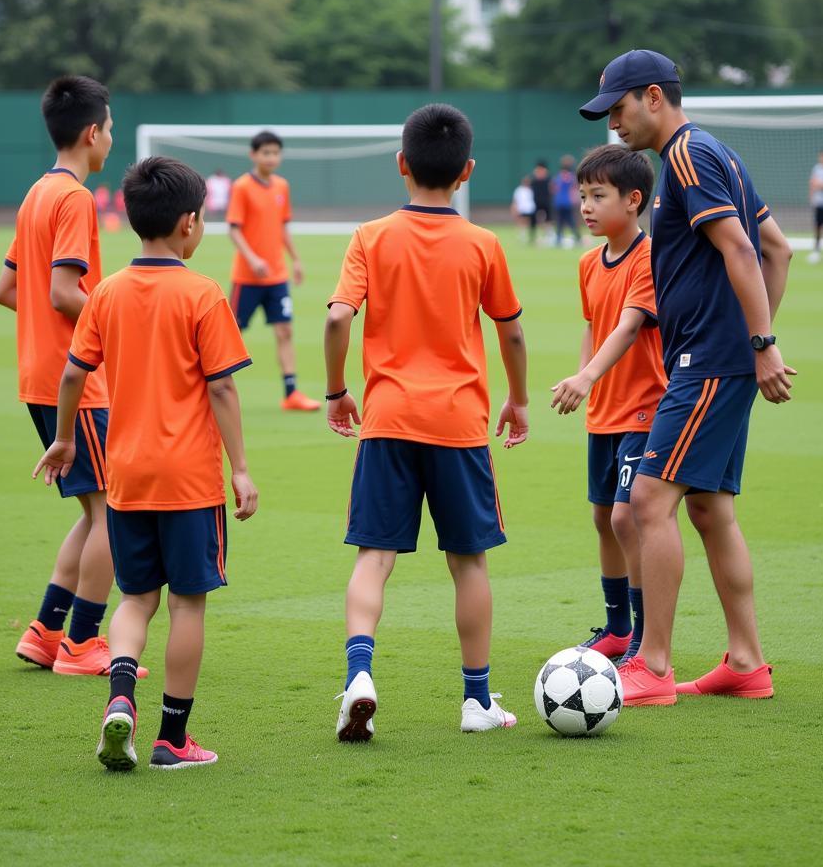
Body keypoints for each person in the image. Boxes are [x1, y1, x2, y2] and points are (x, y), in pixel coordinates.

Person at [580, 49, 795, 706]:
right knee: (708, 509)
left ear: (652, 96)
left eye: (618, 109)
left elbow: (740, 248)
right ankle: (746, 662)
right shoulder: (716, 151)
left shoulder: (683, 157)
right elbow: (777, 248)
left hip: (706, 361)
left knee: (648, 502)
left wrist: (757, 342)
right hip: (720, 357)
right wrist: (749, 343)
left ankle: (653, 664)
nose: (613, 123)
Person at [33, 156, 259, 771]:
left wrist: (64, 440)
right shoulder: (203, 293)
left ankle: (121, 701)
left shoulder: (105, 293)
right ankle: (172, 739)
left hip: (125, 475)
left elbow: (74, 373)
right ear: (189, 223)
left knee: (134, 600)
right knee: (187, 604)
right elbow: (221, 388)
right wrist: (239, 467)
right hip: (188, 481)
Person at [324, 103, 529, 741]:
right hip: (459, 424)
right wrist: (518, 398)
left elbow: (336, 319)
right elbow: (511, 330)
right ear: (466, 172)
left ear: (401, 164)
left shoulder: (370, 236)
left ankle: (359, 675)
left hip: (387, 420)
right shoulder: (483, 243)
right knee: (469, 564)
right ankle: (476, 702)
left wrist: (336, 391)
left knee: (374, 557)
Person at [0, 75, 134, 676]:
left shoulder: (35, 194)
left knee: (91, 510)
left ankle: (46, 631)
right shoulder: (75, 199)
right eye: (111, 130)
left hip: (38, 376)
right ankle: (83, 644)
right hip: (79, 380)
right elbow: (61, 292)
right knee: (113, 515)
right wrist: (118, 320)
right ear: (91, 132)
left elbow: (8, 290)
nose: (112, 140)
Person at [549, 144, 667, 666]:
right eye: (582, 195)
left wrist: (587, 374)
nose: (586, 206)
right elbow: (594, 326)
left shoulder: (650, 257)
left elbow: (628, 325)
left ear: (634, 200)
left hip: (646, 406)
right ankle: (617, 629)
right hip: (605, 409)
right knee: (603, 519)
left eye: (598, 196)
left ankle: (644, 639)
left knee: (627, 519)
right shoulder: (586, 262)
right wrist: (586, 382)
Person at [226, 131, 320, 412]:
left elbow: (282, 227)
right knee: (231, 333)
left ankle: (291, 393)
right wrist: (253, 259)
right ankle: (208, 385)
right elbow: (234, 230)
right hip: (248, 277)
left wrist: (297, 260)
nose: (271, 157)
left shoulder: (282, 187)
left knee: (285, 331)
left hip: (277, 276)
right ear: (253, 154)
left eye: (275, 152)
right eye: (265, 152)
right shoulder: (242, 187)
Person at [552, 155, 582, 248]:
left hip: (558, 201)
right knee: (571, 221)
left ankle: (558, 239)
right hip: (568, 202)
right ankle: (577, 238)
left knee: (560, 222)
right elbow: (576, 187)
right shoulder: (572, 177)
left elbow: (553, 188)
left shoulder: (558, 177)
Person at [528, 159, 553, 244]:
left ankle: (549, 236)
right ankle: (533, 237)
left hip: (546, 201)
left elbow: (551, 189)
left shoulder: (548, 178)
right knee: (533, 219)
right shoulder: (533, 179)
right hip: (536, 202)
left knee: (548, 219)